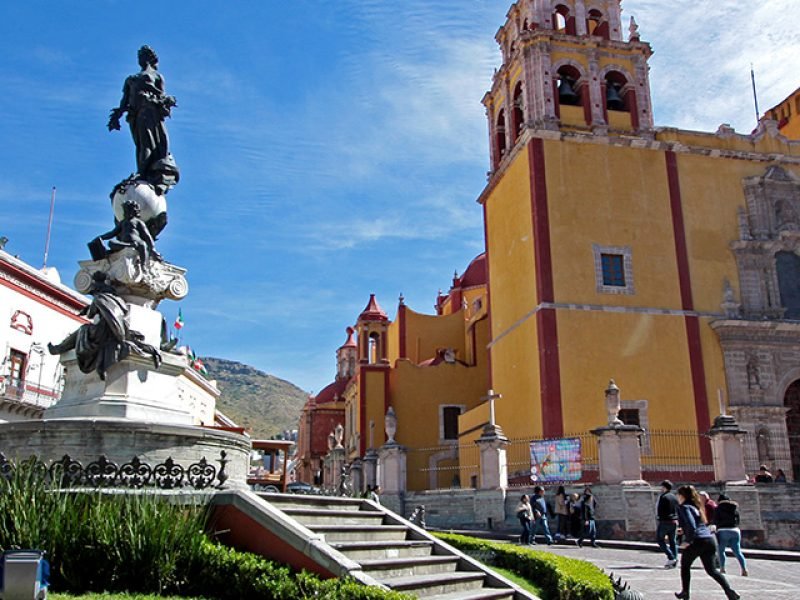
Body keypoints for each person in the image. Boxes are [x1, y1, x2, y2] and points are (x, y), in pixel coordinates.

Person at [47, 271, 161, 380]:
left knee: (83, 329)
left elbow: (91, 314)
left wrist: (89, 308)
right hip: (120, 328)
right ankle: (59, 348)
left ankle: (59, 348)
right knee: (85, 329)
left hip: (104, 331)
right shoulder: (117, 299)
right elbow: (121, 311)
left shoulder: (99, 299)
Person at [108, 45, 179, 193]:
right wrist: (116, 116)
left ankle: (146, 172)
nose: (140, 59)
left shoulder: (157, 77)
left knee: (158, 143)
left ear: (150, 58)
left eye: (143, 56)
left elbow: (162, 96)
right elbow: (124, 101)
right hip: (138, 115)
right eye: (139, 56)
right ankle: (142, 172)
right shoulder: (131, 79)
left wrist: (166, 102)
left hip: (152, 113)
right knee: (143, 144)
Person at [674, 485, 739, 600]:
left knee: (685, 565)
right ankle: (730, 592)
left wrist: (688, 540)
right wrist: (683, 531)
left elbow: (691, 524)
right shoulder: (697, 507)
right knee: (712, 570)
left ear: (682, 496)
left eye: (678, 495)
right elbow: (698, 524)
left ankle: (685, 592)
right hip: (709, 540)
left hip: (697, 540)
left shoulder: (684, 507)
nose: (677, 497)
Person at [715, 493, 747, 577]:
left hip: (723, 530)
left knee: (721, 550)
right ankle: (744, 569)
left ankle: (722, 568)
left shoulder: (718, 509)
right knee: (737, 551)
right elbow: (738, 520)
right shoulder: (734, 508)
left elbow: (715, 520)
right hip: (735, 530)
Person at [656, 480, 680, 569]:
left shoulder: (663, 497)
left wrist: (659, 518)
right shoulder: (674, 497)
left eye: (662, 487)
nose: (661, 488)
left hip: (665, 521)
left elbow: (660, 510)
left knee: (660, 539)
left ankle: (671, 557)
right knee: (673, 541)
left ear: (664, 487)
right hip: (674, 521)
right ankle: (675, 558)